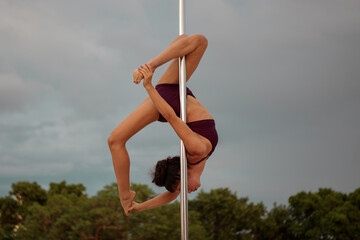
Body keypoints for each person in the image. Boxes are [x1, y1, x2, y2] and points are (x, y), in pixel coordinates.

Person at [108, 34, 218, 215]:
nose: (185, 191)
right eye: (181, 189)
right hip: (177, 92)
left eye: (180, 186)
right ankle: (127, 198)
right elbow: (170, 195)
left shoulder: (196, 150)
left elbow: (171, 116)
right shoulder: (195, 165)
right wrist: (140, 207)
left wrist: (149, 86)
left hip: (168, 103)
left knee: (115, 140)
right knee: (195, 41)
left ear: (180, 174)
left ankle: (125, 195)